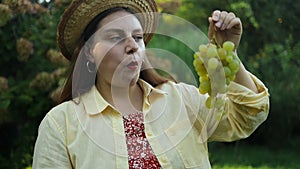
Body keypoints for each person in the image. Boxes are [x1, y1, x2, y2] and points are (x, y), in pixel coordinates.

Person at [32, 0, 270, 168]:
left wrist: (229, 55)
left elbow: (248, 114)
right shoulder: (61, 124)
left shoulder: (181, 100)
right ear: (89, 52)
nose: (133, 45)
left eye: (137, 37)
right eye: (115, 37)